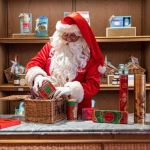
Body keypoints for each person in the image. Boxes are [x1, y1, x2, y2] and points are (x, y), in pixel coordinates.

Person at [25, 12, 106, 114]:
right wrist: (37, 76)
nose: (68, 39)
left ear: (80, 36)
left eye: (73, 35)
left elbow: (93, 85)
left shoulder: (88, 56)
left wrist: (71, 90)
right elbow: (34, 63)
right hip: (48, 110)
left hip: (77, 112)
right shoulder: (50, 48)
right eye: (65, 35)